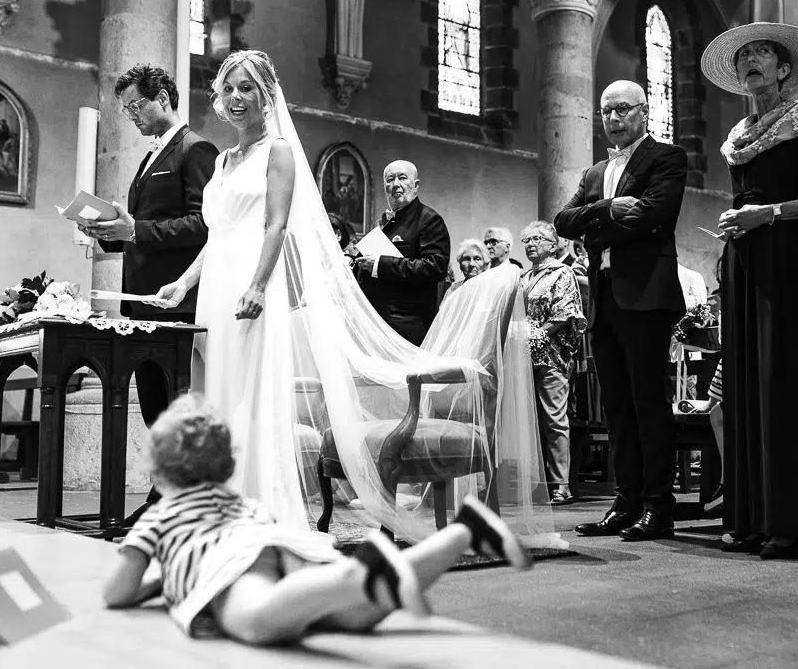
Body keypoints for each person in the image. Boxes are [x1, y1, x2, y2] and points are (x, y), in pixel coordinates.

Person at [150, 50, 560, 548]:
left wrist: (259, 284)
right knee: (217, 391)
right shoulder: (221, 160)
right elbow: (216, 235)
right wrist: (184, 284)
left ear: (267, 96)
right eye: (229, 88)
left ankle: (255, 509)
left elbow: (275, 225)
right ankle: (215, 506)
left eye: (248, 88)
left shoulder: (277, 150)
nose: (237, 98)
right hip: (215, 285)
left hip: (251, 285)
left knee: (247, 395)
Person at [103, 394, 531, 643]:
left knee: (256, 621)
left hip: (227, 562)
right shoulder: (242, 504)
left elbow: (117, 593)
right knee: (356, 615)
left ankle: (361, 573)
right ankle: (460, 534)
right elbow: (264, 537)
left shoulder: (161, 517)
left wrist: (157, 581)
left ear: (159, 471)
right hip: (283, 544)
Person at [700, 21, 798, 559]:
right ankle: (748, 517)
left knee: (779, 387)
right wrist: (738, 222)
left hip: (786, 260)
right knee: (742, 389)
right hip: (742, 261)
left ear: (784, 69)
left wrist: (769, 214)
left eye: (763, 53)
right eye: (745, 57)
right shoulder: (738, 137)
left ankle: (787, 520)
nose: (752, 62)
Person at [82, 63, 218, 526]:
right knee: (153, 407)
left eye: (137, 105)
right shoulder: (149, 157)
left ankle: (179, 501)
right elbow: (139, 229)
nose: (132, 116)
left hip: (174, 300)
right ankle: (165, 495)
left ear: (163, 97)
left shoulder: (196, 149)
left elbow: (205, 225)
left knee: (173, 407)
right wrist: (108, 232)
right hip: (141, 302)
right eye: (126, 110)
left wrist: (134, 229)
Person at [555, 79, 687, 542]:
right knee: (617, 409)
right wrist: (610, 208)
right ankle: (626, 502)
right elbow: (561, 222)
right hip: (605, 299)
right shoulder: (594, 173)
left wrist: (595, 223)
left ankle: (658, 507)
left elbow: (654, 215)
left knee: (649, 405)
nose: (612, 118)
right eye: (605, 111)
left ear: (644, 112)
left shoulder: (666, 157)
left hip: (647, 296)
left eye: (622, 109)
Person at [519, 221, 586, 506]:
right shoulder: (522, 277)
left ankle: (561, 486)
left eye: (537, 239)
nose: (531, 244)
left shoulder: (562, 272)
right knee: (526, 421)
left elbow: (564, 313)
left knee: (553, 419)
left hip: (551, 355)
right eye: (526, 240)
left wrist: (536, 336)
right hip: (521, 355)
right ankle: (534, 484)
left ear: (552, 244)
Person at [355, 160, 451, 346]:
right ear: (385, 188)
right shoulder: (389, 223)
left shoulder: (429, 220)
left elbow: (435, 267)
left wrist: (379, 264)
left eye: (402, 178)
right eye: (390, 179)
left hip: (406, 325)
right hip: (377, 323)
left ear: (415, 186)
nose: (396, 184)